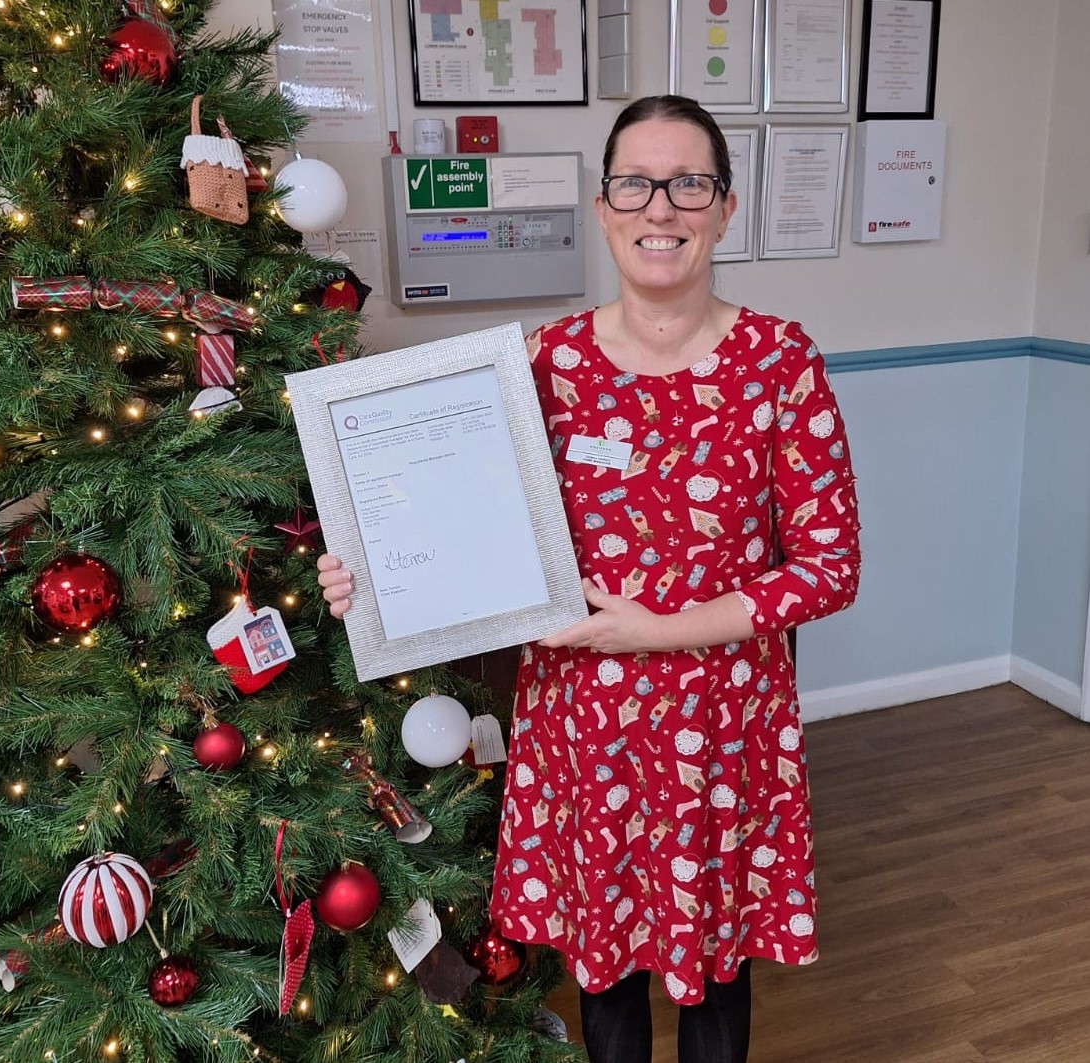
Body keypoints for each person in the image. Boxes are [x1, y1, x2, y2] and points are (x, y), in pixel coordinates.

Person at [318, 94, 860, 1063]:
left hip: (724, 734)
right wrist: (372, 570)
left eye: (688, 182)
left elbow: (828, 568)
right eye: (635, 184)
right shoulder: (546, 365)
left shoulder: (780, 361)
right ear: (603, 206)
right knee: (605, 975)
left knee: (713, 972)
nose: (662, 207)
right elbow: (453, 518)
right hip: (586, 727)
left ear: (724, 207)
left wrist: (657, 628)